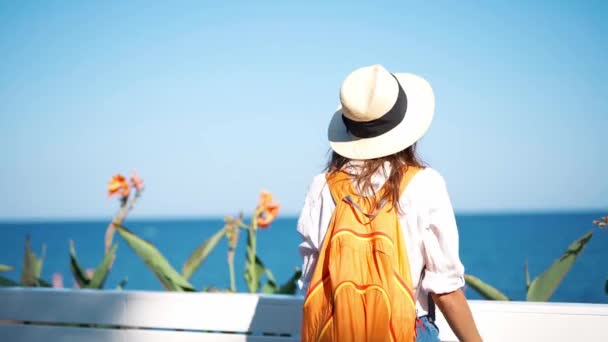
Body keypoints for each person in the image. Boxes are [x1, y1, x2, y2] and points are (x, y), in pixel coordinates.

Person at [296, 64, 482, 341]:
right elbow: (445, 289)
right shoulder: (425, 184)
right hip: (408, 329)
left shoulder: (322, 186)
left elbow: (311, 280)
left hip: (338, 331)